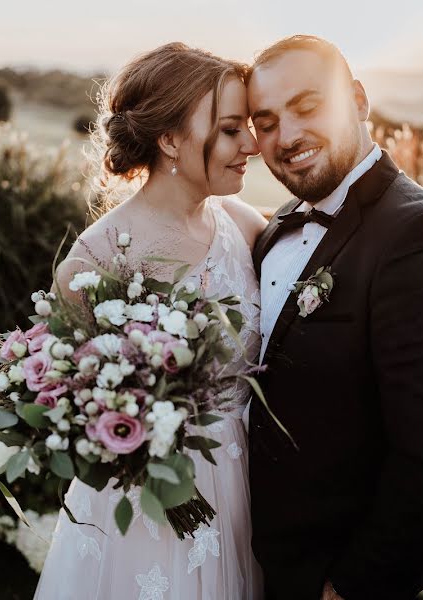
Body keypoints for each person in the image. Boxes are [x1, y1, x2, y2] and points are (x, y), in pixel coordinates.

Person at [246, 35, 423, 599]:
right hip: (264, 562)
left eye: (308, 107)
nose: (288, 136)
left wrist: (351, 586)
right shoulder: (278, 225)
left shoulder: (421, 235)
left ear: (358, 100)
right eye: (266, 121)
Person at [33, 42, 267, 600]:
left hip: (243, 480)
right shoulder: (96, 259)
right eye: (231, 129)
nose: (251, 146)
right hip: (148, 504)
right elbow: (69, 406)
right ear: (169, 140)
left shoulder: (248, 227)